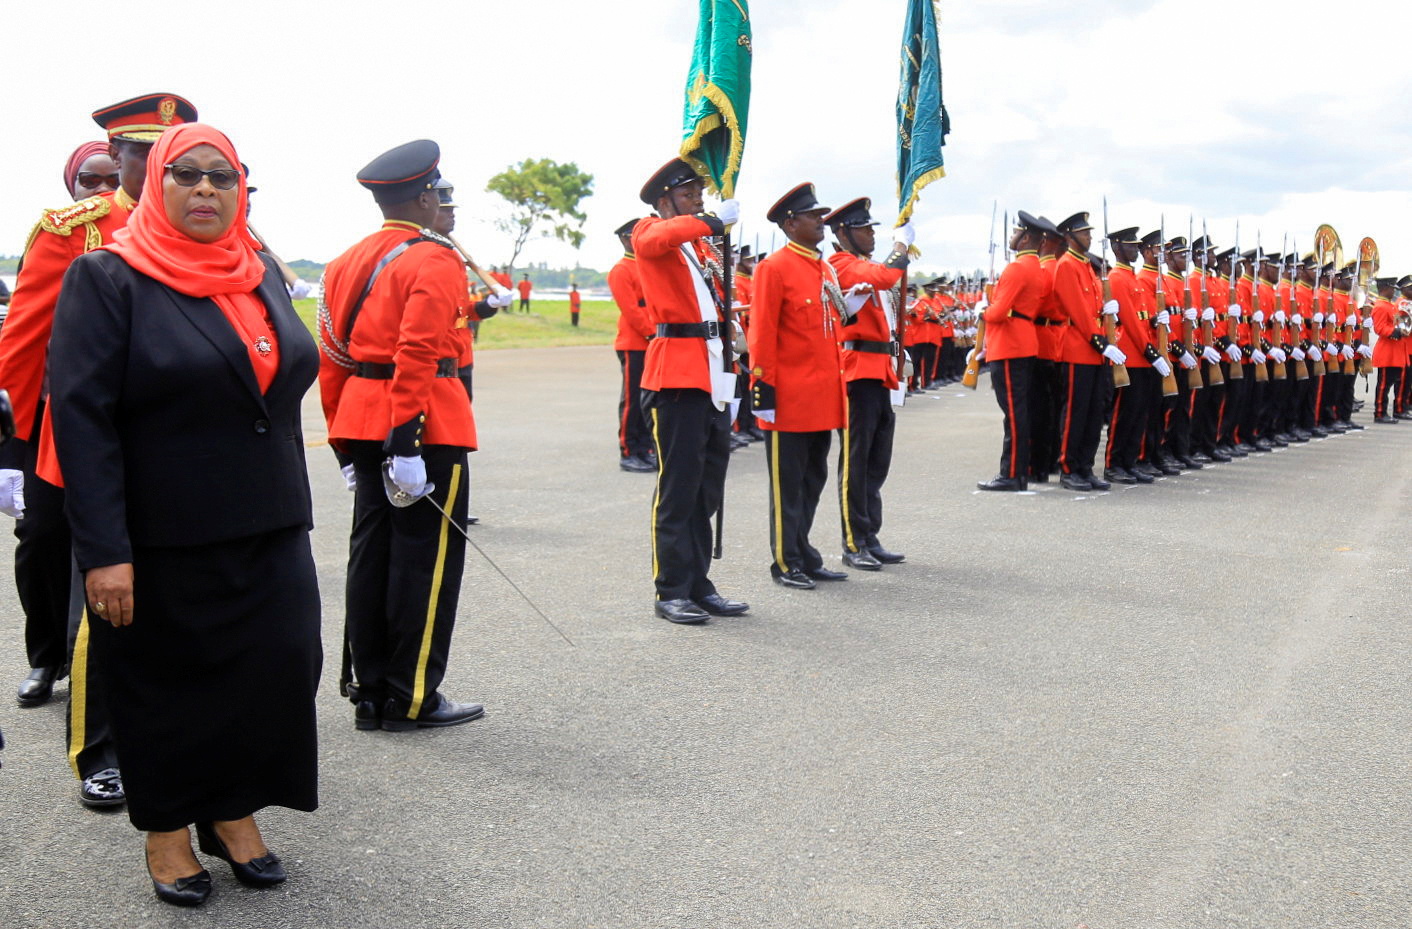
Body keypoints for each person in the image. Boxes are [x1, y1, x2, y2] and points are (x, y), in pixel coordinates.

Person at [49, 122, 320, 907]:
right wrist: (104, 548)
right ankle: (167, 831)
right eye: (188, 174)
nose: (206, 189)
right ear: (156, 184)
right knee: (169, 686)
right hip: (160, 532)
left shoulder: (260, 269)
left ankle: (232, 809)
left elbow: (280, 382)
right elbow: (83, 418)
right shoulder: (109, 278)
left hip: (269, 519)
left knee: (274, 668)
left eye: (223, 176)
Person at [0, 93, 197, 811]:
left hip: (177, 445)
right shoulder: (74, 231)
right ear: (115, 158)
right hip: (85, 439)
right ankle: (99, 747)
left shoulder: (215, 231)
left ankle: (169, 731)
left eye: (169, 149)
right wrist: (13, 449)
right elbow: (24, 343)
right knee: (98, 593)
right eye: (141, 152)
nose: (157, 164)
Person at [319, 140, 492, 730]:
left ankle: (367, 689)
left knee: (371, 555)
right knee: (425, 564)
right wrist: (407, 442)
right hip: (422, 424)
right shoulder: (435, 258)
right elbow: (417, 354)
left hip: (362, 418)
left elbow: (333, 356)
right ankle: (411, 695)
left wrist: (345, 440)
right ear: (423, 197)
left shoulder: (345, 262)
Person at [632, 157, 747, 624]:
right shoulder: (651, 231)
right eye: (689, 194)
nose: (699, 199)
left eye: (701, 193)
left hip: (712, 369)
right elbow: (656, 237)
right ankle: (670, 589)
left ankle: (699, 583)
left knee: (706, 488)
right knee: (678, 488)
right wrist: (708, 220)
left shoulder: (698, 249)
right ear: (664, 201)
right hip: (677, 373)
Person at [749, 183, 852, 589]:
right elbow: (761, 334)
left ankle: (805, 553)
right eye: (812, 216)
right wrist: (764, 390)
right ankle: (785, 560)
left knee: (813, 480)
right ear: (790, 223)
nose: (820, 221)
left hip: (822, 397)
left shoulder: (823, 268)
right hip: (789, 398)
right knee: (787, 486)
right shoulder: (773, 268)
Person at [823, 197, 911, 567]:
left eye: (872, 228)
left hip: (880, 368)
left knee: (877, 461)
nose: (871, 234)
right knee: (856, 462)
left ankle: (870, 534)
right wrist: (901, 245)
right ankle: (853, 541)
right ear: (843, 233)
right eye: (863, 229)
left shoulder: (865, 264)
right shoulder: (841, 264)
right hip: (856, 370)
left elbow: (889, 302)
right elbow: (888, 276)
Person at [977, 212, 1048, 491]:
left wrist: (983, 310)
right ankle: (1018, 471)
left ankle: (1012, 473)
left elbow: (997, 313)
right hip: (1022, 341)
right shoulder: (1034, 266)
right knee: (1019, 411)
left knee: (1014, 413)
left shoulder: (1017, 268)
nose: (1011, 237)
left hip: (1009, 344)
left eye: (1015, 232)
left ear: (1026, 237)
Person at [1052, 211, 1120, 491]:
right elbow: (1077, 311)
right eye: (1084, 232)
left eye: (1089, 232)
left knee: (1094, 411)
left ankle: (1085, 466)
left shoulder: (1088, 268)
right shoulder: (1067, 265)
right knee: (1076, 412)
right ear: (1068, 236)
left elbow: (1093, 309)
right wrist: (1099, 341)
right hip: (1077, 348)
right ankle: (1069, 468)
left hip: (1093, 350)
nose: (1089, 236)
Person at [607, 218, 656, 472]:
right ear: (626, 239)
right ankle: (629, 450)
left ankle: (646, 447)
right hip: (635, 342)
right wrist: (652, 333)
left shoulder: (647, 266)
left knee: (648, 400)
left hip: (653, 342)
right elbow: (631, 310)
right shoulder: (621, 270)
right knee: (633, 400)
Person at [1370, 277, 1407, 423]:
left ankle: (1385, 411)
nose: (1393, 291)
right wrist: (1396, 332)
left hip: (1395, 350)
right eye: (1392, 288)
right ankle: (1380, 412)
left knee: (1390, 382)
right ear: (1385, 288)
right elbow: (1379, 328)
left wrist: (1402, 328)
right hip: (1387, 351)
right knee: (1384, 385)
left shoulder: (1390, 306)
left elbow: (1396, 322)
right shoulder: (1380, 306)